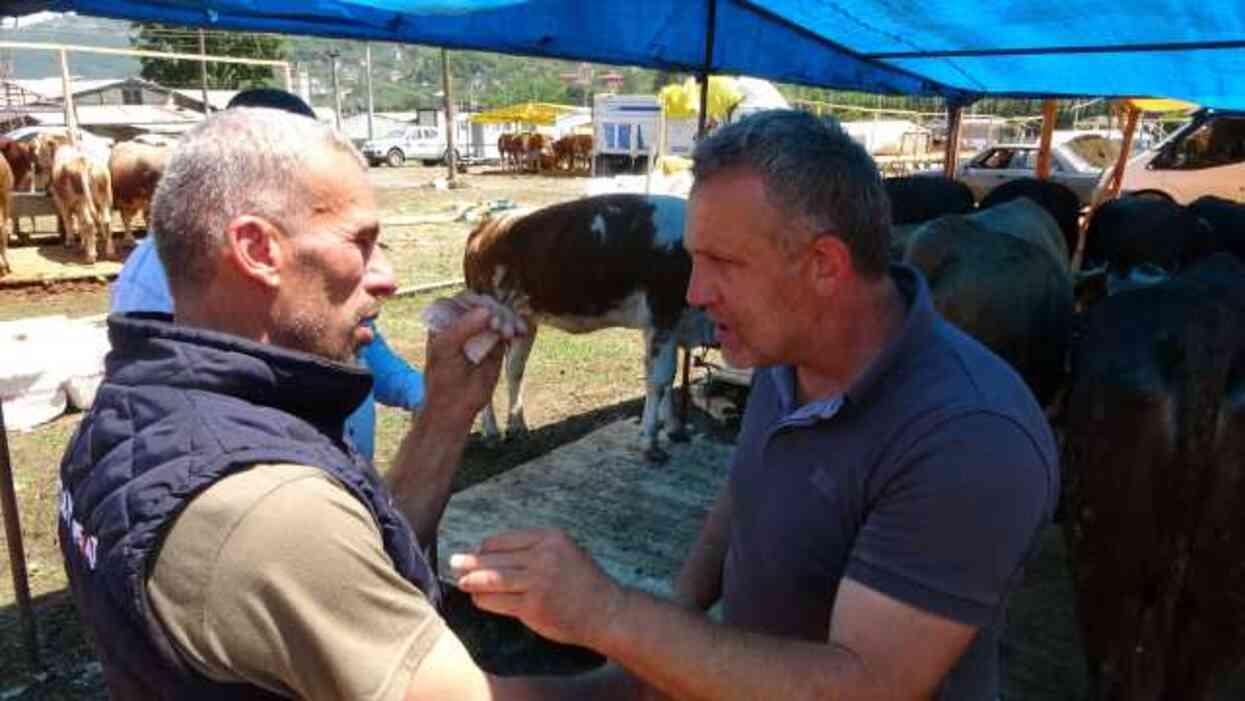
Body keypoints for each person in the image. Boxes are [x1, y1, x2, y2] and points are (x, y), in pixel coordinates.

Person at [452, 109, 1060, 700]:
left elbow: (867, 685)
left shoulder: (970, 436)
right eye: (694, 259)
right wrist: (666, 632)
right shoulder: (785, 353)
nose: (693, 292)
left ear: (824, 266)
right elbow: (747, 490)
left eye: (724, 263)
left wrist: (609, 613)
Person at [59, 107, 554, 699]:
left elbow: (357, 565)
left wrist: (446, 412)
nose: (387, 277)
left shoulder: (133, 411)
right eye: (361, 243)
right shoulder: (268, 507)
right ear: (257, 249)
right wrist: (646, 661)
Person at [109, 87, 423, 461]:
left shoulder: (302, 266)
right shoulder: (166, 278)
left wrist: (423, 393)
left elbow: (366, 349)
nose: (386, 277)